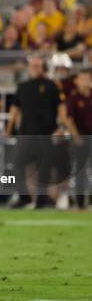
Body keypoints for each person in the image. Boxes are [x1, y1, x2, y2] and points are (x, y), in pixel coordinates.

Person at [5, 56, 80, 209]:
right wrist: (9, 128)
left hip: (47, 134)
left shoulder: (52, 86)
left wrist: (62, 128)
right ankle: (24, 197)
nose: (35, 68)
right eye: (33, 65)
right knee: (17, 165)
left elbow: (61, 110)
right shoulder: (23, 86)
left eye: (38, 65)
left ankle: (41, 201)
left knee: (44, 170)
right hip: (26, 134)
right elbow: (14, 109)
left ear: (43, 68)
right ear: (29, 67)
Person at [66, 70, 91, 209]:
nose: (85, 81)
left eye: (87, 78)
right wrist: (76, 136)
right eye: (82, 78)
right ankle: (81, 203)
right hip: (81, 137)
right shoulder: (74, 97)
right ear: (77, 81)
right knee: (81, 170)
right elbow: (69, 120)